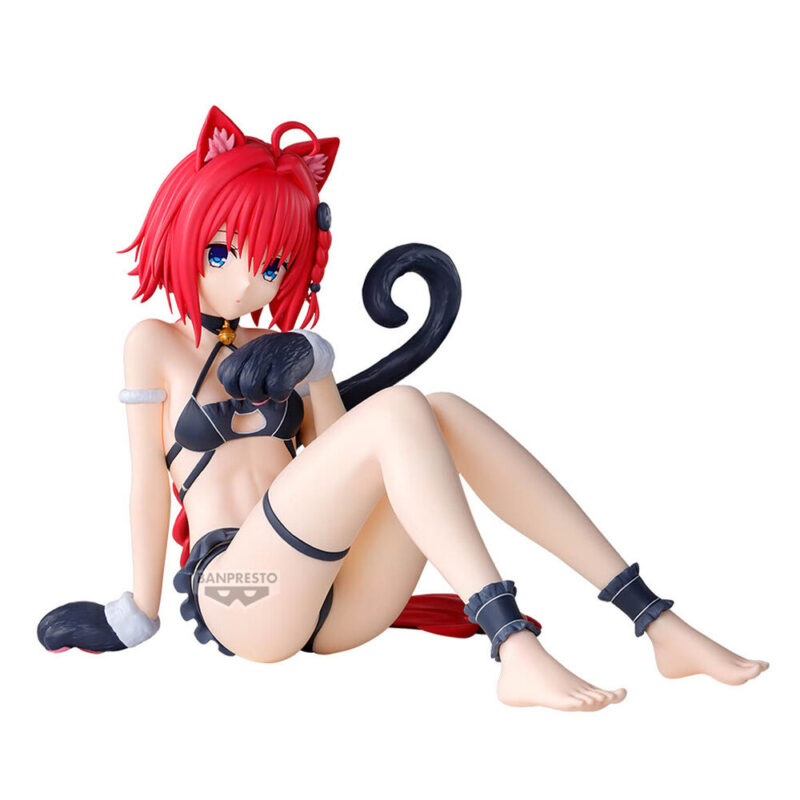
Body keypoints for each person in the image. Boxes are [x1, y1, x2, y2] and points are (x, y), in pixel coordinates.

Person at [37, 107, 768, 711]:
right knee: (401, 408)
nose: (248, 285)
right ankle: (511, 643)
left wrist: (315, 366)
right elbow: (144, 482)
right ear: (187, 227)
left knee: (436, 410)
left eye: (273, 265)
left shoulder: (281, 346)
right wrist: (136, 613)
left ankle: (654, 618)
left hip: (341, 599)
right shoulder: (153, 345)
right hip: (240, 593)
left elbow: (340, 457)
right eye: (225, 253)